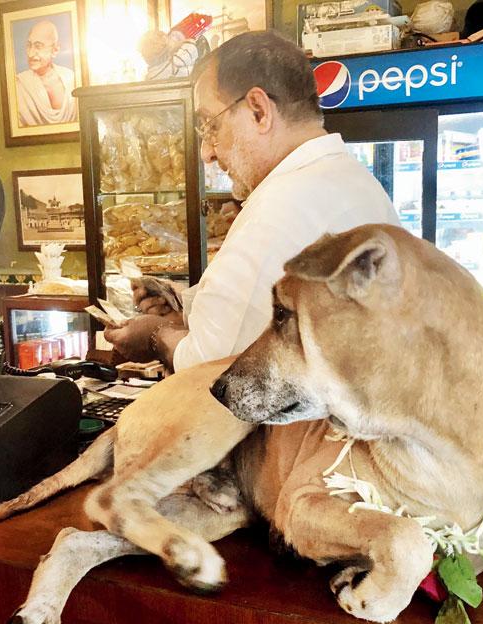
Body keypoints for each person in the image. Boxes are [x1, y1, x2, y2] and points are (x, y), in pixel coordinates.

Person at [103, 30, 400, 370]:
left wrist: (154, 336)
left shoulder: (281, 207)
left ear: (259, 111)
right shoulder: (352, 178)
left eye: (209, 126)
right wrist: (183, 307)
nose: (207, 153)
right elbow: (261, 319)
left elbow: (213, 368)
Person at [15, 20, 77, 127]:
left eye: (38, 46)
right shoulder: (19, 84)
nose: (30, 53)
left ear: (55, 50)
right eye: (29, 45)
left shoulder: (71, 79)